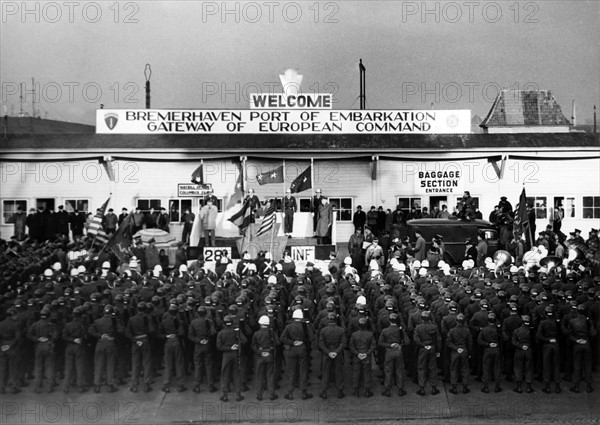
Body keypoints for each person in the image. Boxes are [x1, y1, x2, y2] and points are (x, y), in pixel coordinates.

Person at [281, 308, 313, 400]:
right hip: (302, 349)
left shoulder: (289, 326)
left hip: (292, 350)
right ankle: (304, 392)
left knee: (291, 372)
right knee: (303, 371)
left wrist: (292, 342)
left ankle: (290, 393)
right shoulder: (305, 326)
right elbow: (312, 337)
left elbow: (282, 338)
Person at [88, 304, 121, 393]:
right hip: (110, 343)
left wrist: (100, 335)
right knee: (110, 365)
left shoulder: (97, 321)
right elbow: (121, 330)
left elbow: (90, 330)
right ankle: (110, 385)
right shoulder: (114, 321)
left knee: (98, 365)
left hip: (100, 343)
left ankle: (97, 385)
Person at [27, 307, 58, 393]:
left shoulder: (35, 324)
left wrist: (37, 339)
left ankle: (37, 386)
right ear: (49, 316)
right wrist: (50, 340)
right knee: (49, 366)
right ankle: (49, 386)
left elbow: (29, 334)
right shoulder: (52, 325)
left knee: (38, 367)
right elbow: (55, 336)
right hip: (48, 345)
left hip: (38, 346)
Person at [378, 312, 409, 397]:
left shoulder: (385, 331)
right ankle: (400, 389)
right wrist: (400, 345)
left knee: (388, 371)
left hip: (389, 352)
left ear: (389, 320)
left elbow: (380, 342)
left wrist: (389, 345)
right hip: (398, 352)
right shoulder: (400, 330)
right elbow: (407, 341)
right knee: (399, 371)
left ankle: (387, 390)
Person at [216, 315, 246, 402]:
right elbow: (244, 341)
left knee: (225, 374)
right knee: (236, 374)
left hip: (226, 355)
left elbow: (219, 346)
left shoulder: (221, 333)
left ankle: (225, 395)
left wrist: (229, 348)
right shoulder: (236, 331)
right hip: (235, 354)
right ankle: (238, 394)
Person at [188, 306, 217, 393]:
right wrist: (207, 339)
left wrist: (199, 341)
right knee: (209, 365)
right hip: (207, 345)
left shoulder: (193, 322)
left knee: (198, 366)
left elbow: (190, 335)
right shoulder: (209, 321)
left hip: (198, 346)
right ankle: (211, 385)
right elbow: (213, 332)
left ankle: (197, 386)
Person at [126, 302, 153, 393]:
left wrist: (135, 340)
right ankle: (147, 384)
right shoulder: (147, 318)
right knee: (146, 363)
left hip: (136, 343)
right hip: (145, 341)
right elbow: (152, 330)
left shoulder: (131, 319)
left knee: (135, 364)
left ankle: (134, 385)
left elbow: (128, 333)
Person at [318, 312, 346, 399]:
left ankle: (324, 391)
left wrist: (328, 352)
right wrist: (336, 352)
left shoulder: (323, 330)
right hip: (337, 352)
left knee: (325, 372)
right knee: (339, 372)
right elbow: (343, 343)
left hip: (327, 353)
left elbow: (321, 343)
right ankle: (340, 391)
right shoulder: (341, 330)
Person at [159, 304, 186, 393]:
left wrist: (167, 336)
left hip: (168, 342)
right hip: (177, 342)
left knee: (168, 364)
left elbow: (159, 334)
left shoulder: (164, 322)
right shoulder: (180, 321)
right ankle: (180, 384)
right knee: (179, 363)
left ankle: (166, 384)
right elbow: (181, 333)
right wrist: (176, 335)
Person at [252, 315, 279, 401]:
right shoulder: (272, 333)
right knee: (270, 375)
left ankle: (259, 394)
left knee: (259, 375)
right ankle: (271, 394)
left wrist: (260, 352)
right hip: (270, 355)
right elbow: (277, 343)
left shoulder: (256, 334)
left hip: (260, 356)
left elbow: (253, 345)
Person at [414, 310, 441, 396]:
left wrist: (423, 345)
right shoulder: (434, 327)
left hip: (423, 349)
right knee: (432, 367)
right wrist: (438, 350)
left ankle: (422, 388)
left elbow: (416, 339)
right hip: (432, 348)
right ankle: (433, 388)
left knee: (421, 368)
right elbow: (438, 339)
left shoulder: (418, 327)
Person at [446, 313, 472, 394]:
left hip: (455, 351)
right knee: (465, 369)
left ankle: (454, 387)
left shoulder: (452, 330)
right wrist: (469, 352)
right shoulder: (467, 331)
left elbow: (449, 342)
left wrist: (456, 348)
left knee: (454, 369)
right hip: (464, 350)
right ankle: (465, 387)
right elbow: (470, 343)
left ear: (456, 321)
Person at [478, 313, 502, 393]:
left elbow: (479, 340)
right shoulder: (498, 329)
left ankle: (486, 387)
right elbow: (502, 339)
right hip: (496, 349)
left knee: (486, 368)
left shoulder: (484, 329)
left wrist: (488, 344)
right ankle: (497, 386)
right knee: (497, 368)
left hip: (487, 350)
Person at [0, 308, 21, 394]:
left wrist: (1, 346)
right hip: (12, 347)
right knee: (13, 368)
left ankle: (2, 387)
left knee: (3, 369)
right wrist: (10, 346)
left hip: (2, 347)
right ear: (13, 315)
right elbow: (17, 337)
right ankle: (13, 388)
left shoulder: (0, 324)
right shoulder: (15, 324)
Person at [512, 315, 534, 393]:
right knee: (529, 368)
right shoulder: (532, 331)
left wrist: (521, 346)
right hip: (528, 350)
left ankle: (519, 387)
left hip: (519, 350)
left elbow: (513, 341)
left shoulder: (516, 330)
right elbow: (535, 341)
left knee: (518, 368)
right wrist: (528, 346)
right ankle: (528, 387)